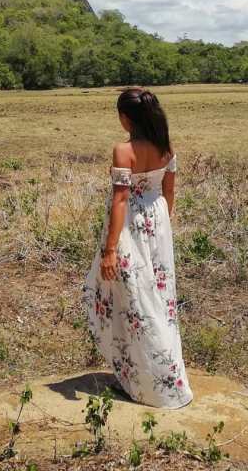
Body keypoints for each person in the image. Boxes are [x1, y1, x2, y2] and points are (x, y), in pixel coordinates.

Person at [82, 87, 193, 408]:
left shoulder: (123, 151)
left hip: (130, 226)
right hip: (158, 225)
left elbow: (120, 200)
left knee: (135, 303)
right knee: (158, 300)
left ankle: (151, 384)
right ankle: (155, 375)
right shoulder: (166, 148)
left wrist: (110, 250)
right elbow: (169, 194)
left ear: (126, 118)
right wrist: (161, 230)